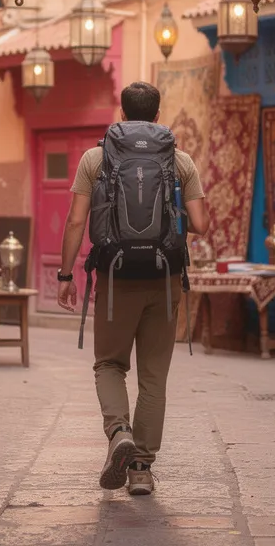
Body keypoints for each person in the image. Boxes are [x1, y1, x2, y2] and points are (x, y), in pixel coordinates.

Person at [55, 81, 209, 496]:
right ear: (158, 116)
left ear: (121, 114)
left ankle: (118, 431)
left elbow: (75, 222)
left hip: (114, 279)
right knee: (154, 377)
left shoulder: (95, 158)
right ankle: (141, 469)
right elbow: (201, 224)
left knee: (109, 364)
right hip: (163, 282)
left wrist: (65, 275)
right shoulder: (179, 161)